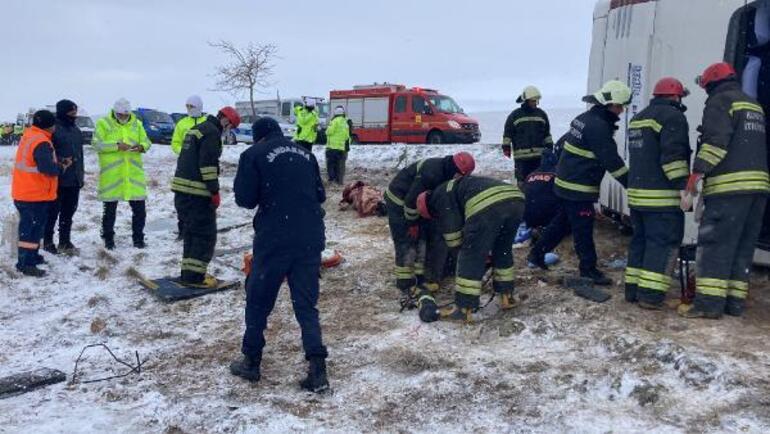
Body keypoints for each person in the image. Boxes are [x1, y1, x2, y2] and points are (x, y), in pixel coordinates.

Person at [230, 117, 329, 393]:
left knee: (258, 298)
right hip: (310, 236)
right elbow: (320, 195)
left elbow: (245, 199)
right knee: (306, 304)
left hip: (275, 238)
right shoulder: (306, 154)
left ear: (258, 137)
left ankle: (251, 361)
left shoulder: (252, 155)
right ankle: (318, 369)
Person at [680, 62, 769, 319]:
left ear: (711, 84)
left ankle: (708, 305)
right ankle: (733, 304)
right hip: (758, 190)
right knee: (742, 247)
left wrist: (696, 174)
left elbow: (715, 144)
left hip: (729, 189)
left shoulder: (720, 101)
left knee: (716, 245)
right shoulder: (752, 104)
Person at [529, 80, 631, 285]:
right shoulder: (599, 128)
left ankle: (536, 254)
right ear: (608, 104)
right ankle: (588, 269)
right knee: (583, 229)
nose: (621, 111)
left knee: (561, 223)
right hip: (578, 188)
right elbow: (612, 161)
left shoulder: (584, 119)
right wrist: (632, 184)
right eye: (619, 106)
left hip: (565, 183)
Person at [416, 176, 525, 323]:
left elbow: (454, 239)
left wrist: (463, 258)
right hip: (515, 199)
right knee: (502, 249)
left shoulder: (439, 198)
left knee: (470, 254)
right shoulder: (453, 187)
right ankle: (507, 296)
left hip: (487, 204)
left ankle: (463, 309)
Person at [624, 78, 691, 309]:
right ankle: (650, 296)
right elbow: (673, 158)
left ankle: (632, 290)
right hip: (662, 199)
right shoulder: (673, 117)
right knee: (661, 245)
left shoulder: (638, 118)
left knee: (640, 243)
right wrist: (684, 187)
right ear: (676, 96)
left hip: (637, 197)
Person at [384, 153, 476, 306]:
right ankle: (405, 283)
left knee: (423, 237)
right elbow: (410, 202)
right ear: (455, 170)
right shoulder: (432, 172)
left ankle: (421, 278)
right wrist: (412, 223)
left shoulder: (447, 175)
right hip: (399, 201)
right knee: (405, 241)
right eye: (461, 175)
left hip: (418, 204)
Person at [171, 106, 240, 287]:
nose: (228, 131)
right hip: (197, 194)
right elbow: (207, 165)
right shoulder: (211, 133)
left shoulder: (197, 129)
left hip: (182, 192)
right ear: (225, 120)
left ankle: (188, 274)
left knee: (191, 234)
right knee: (205, 236)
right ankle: (195, 278)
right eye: (230, 126)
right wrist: (214, 191)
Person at [11, 110, 71, 276]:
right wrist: (62, 166)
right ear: (49, 125)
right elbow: (48, 169)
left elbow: (37, 162)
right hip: (33, 194)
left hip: (26, 191)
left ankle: (33, 256)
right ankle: (25, 264)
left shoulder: (30, 134)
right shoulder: (42, 141)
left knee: (35, 228)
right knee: (30, 230)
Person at [92, 98, 151, 250]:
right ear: (115, 112)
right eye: (121, 115)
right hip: (113, 176)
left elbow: (147, 142)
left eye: (126, 115)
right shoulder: (103, 123)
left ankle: (138, 239)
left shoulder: (137, 124)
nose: (123, 118)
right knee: (110, 211)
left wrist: (141, 147)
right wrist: (116, 146)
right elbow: (96, 144)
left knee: (140, 211)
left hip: (133, 176)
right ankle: (108, 238)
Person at [42, 100, 84, 254]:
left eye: (75, 113)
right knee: (52, 213)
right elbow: (47, 155)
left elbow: (80, 155)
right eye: (71, 113)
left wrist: (80, 176)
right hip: (57, 180)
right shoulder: (53, 130)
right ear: (62, 112)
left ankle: (65, 241)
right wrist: (60, 163)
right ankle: (47, 242)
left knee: (68, 213)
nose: (74, 116)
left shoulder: (76, 130)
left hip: (74, 180)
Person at [170, 95, 208, 239]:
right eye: (187, 106)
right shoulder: (182, 123)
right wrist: (185, 153)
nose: (189, 109)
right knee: (182, 201)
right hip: (185, 168)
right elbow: (175, 143)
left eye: (191, 106)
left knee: (199, 200)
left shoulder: (206, 122)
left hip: (201, 167)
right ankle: (182, 231)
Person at [502, 86, 554, 184]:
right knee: (523, 182)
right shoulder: (515, 115)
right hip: (522, 159)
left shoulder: (542, 114)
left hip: (539, 157)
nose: (535, 103)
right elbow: (508, 133)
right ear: (526, 100)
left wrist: (550, 146)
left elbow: (547, 133)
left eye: (536, 101)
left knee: (538, 181)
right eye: (533, 101)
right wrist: (506, 147)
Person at [325, 106, 350, 185]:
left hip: (332, 147)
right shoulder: (345, 122)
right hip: (340, 148)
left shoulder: (334, 121)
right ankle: (337, 180)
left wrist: (328, 127)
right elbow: (347, 136)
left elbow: (329, 132)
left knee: (330, 165)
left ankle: (331, 180)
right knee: (338, 165)